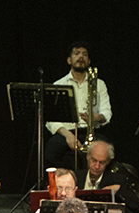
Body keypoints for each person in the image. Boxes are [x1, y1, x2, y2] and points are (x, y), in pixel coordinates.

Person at [45, 42, 110, 171]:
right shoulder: (58, 84)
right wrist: (67, 134)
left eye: (84, 54)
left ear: (89, 61)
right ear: (69, 60)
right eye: (76, 53)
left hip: (91, 130)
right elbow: (50, 119)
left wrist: (95, 117)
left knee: (108, 149)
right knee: (51, 151)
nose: (81, 57)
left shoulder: (99, 84)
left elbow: (107, 113)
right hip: (67, 132)